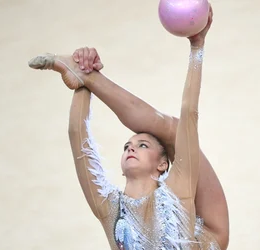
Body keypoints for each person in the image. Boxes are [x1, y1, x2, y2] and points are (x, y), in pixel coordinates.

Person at [28, 6, 228, 249]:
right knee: (176, 130)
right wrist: (83, 82)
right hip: (212, 238)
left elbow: (77, 135)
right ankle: (86, 75)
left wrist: (83, 85)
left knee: (178, 129)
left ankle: (86, 75)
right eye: (128, 146)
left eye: (140, 145)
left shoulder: (134, 200)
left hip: (197, 228)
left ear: (163, 164)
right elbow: (77, 138)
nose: (130, 148)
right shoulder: (118, 207)